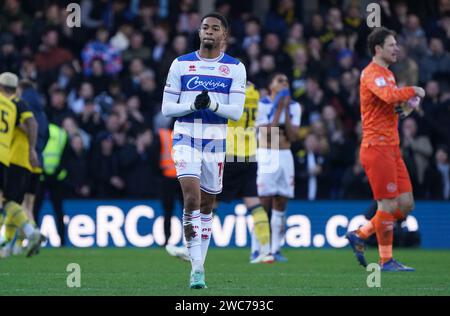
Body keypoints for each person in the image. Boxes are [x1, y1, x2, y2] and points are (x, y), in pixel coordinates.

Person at [161, 12, 246, 289]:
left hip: (215, 141)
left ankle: (197, 261)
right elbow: (167, 109)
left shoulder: (235, 68)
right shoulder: (181, 64)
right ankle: (197, 270)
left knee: (208, 205)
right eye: (205, 27)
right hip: (185, 135)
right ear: (199, 32)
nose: (209, 31)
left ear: (224, 36)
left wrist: (211, 105)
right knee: (191, 199)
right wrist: (193, 106)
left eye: (215, 28)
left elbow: (236, 112)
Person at [346, 27, 425, 272]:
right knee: (388, 206)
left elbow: (392, 104)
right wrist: (415, 90)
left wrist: (410, 104)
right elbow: (389, 96)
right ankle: (386, 260)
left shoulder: (388, 74)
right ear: (378, 49)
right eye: (392, 45)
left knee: (406, 203)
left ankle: (361, 234)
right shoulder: (371, 73)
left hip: (392, 148)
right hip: (376, 147)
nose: (397, 49)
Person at [255, 73, 301, 262]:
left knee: (281, 201)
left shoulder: (295, 107)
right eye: (279, 80)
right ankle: (258, 249)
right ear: (271, 85)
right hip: (267, 155)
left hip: (285, 156)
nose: (284, 84)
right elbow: (267, 136)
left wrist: (285, 113)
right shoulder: (262, 104)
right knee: (263, 202)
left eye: (286, 81)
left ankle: (275, 249)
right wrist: (278, 109)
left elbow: (293, 136)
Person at [0, 72, 45, 257]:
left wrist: (31, 149)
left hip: (16, 159)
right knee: (11, 201)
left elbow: (31, 125)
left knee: (10, 201)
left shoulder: (16, 104)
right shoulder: (13, 106)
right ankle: (13, 244)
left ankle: (26, 234)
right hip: (7, 158)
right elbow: (33, 126)